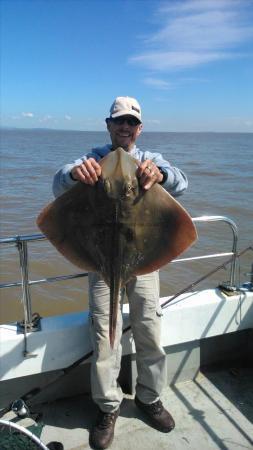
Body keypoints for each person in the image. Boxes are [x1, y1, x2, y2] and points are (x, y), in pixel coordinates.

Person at [53, 96, 188, 449]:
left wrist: (161, 176)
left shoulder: (150, 160)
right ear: (109, 126)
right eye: (118, 121)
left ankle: (149, 397)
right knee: (105, 334)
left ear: (139, 129)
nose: (125, 127)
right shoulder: (91, 159)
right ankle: (109, 406)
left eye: (131, 122)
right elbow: (58, 184)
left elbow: (181, 183)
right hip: (100, 260)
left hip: (143, 260)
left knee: (149, 329)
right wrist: (73, 174)